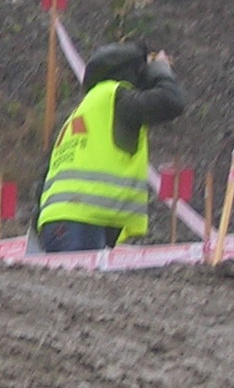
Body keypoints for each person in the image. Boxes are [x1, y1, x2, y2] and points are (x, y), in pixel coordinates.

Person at [35, 41, 186, 252]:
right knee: (83, 274)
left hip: (62, 220)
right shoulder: (115, 97)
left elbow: (46, 176)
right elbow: (171, 101)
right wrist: (160, 71)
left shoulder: (86, 108)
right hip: (81, 220)